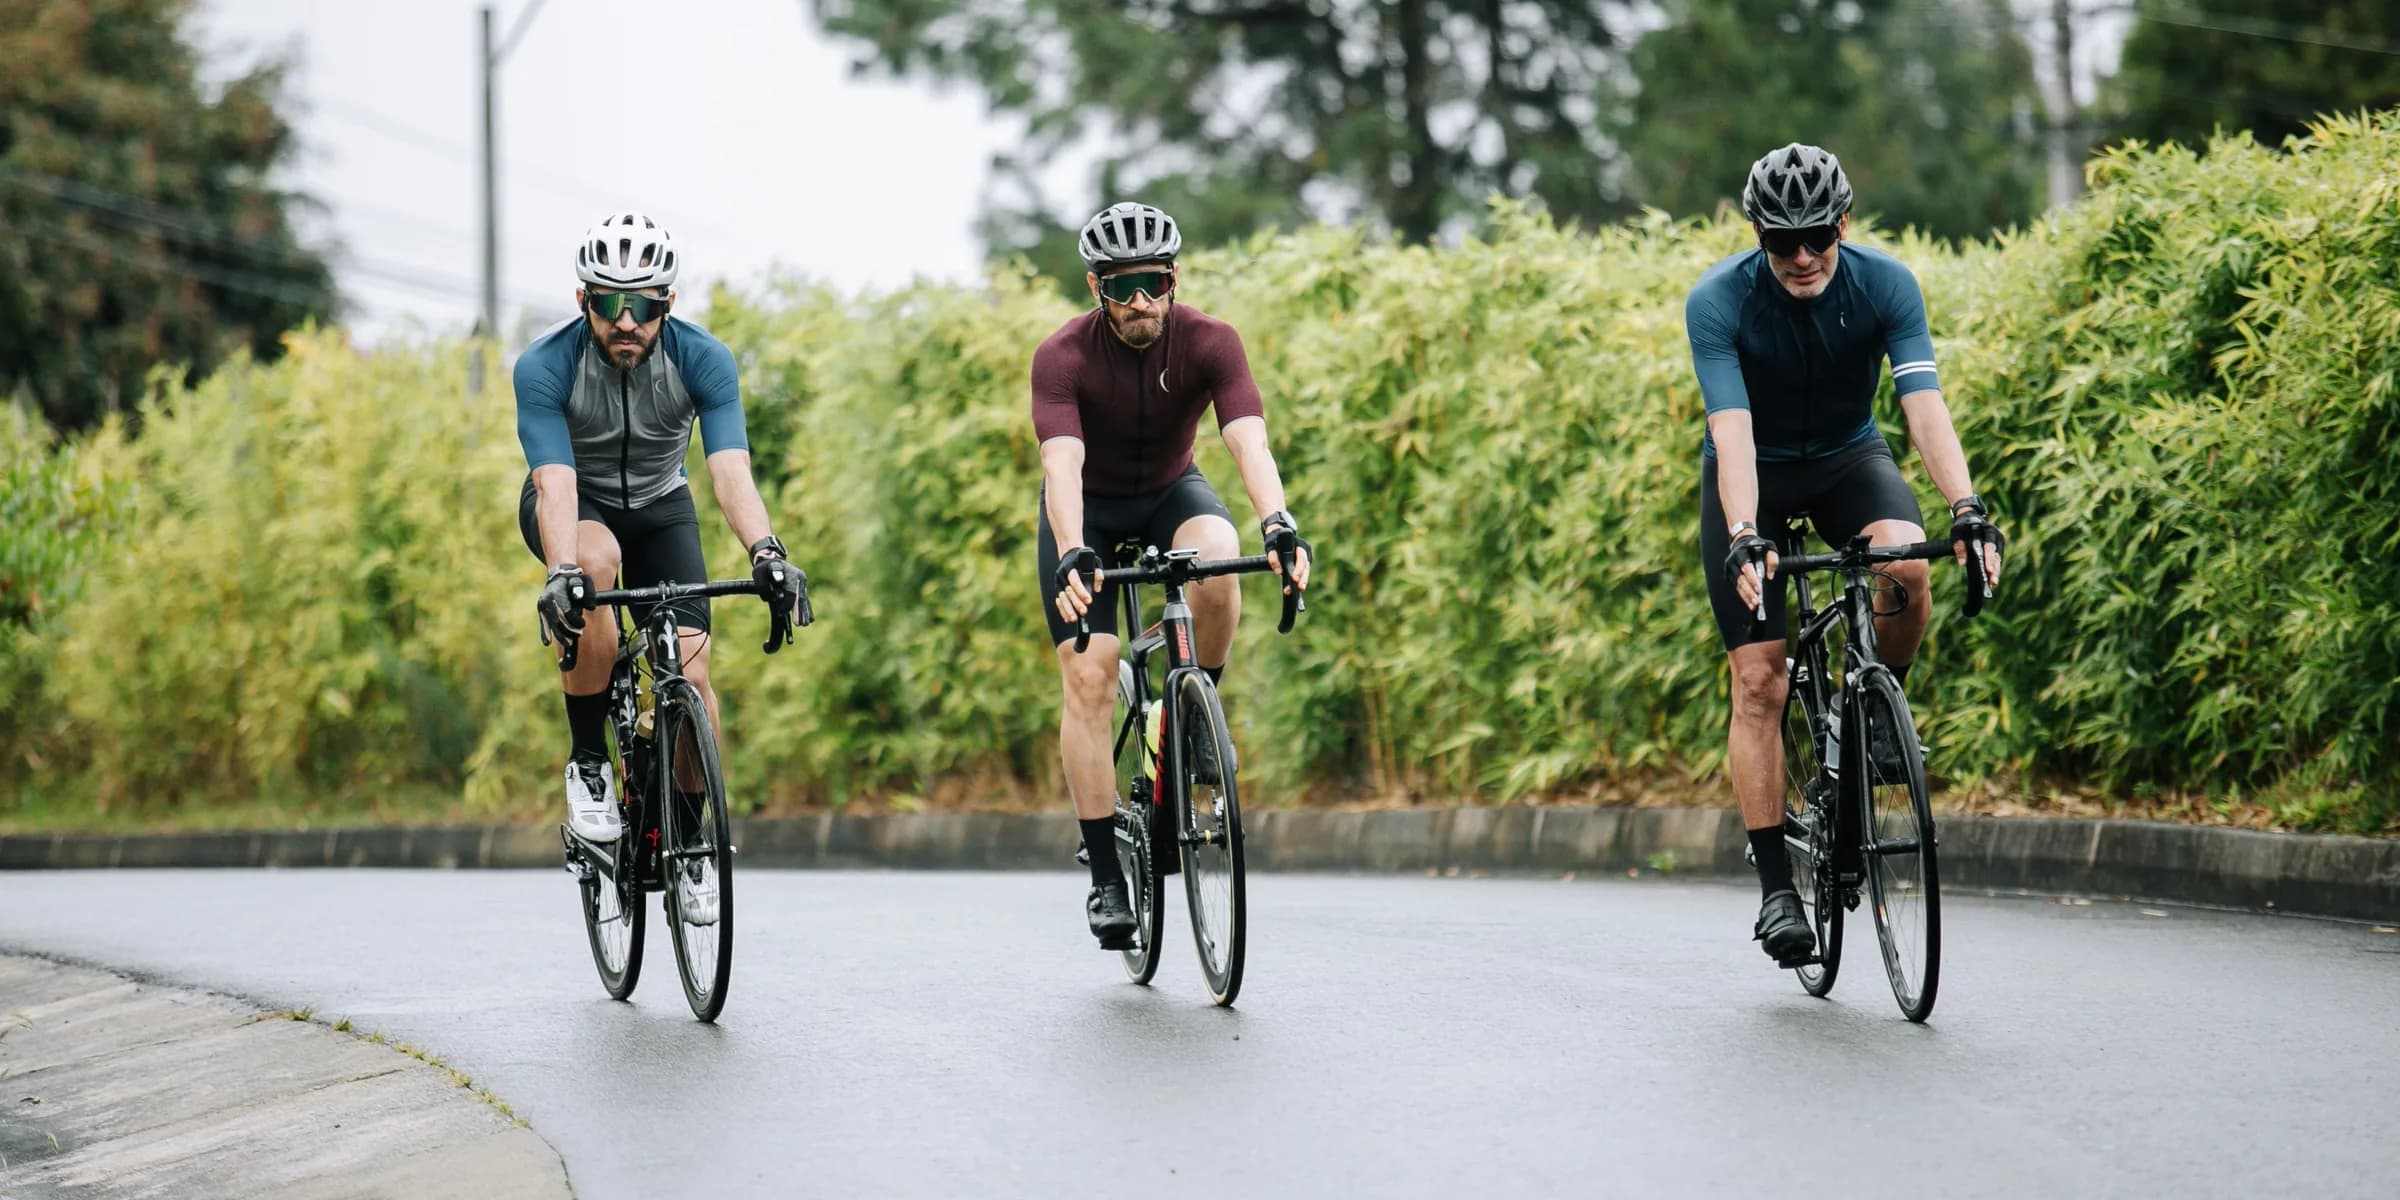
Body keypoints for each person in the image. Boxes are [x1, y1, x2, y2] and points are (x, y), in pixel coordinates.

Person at [1684, 145, 2006, 965]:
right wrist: (1748, 533)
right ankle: (1776, 892)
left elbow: (1923, 406)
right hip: (1751, 476)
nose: (1801, 257)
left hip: (1846, 462)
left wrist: (1965, 508)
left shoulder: (1886, 284)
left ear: (1844, 225)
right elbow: (1732, 431)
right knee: (1760, 679)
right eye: (1781, 241)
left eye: (1818, 236)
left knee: (1905, 566)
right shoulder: (1718, 302)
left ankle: (1874, 710)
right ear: (1755, 233)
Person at [515, 211, 812, 924]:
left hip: (660, 505)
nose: (626, 321)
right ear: (583, 300)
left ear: (668, 304)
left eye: (643, 304)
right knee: (596, 563)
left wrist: (766, 551)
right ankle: (589, 762)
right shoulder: (544, 365)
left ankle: (690, 842)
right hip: (573, 508)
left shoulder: (703, 359)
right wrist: (562, 571)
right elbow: (555, 480)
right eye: (610, 303)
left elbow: (729, 470)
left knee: (693, 674)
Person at [1032, 201, 1313, 948]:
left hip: (1168, 495)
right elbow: (1062, 464)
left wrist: (1279, 523)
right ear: (1096, 288)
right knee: (1090, 675)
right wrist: (1070, 547)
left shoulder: (1211, 341)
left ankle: (1192, 712)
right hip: (1086, 515)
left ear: (1174, 278)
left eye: (1152, 283)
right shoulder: (1062, 356)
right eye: (1121, 287)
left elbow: (1249, 442)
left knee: (1221, 560)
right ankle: (1102, 876)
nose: (1139, 302)